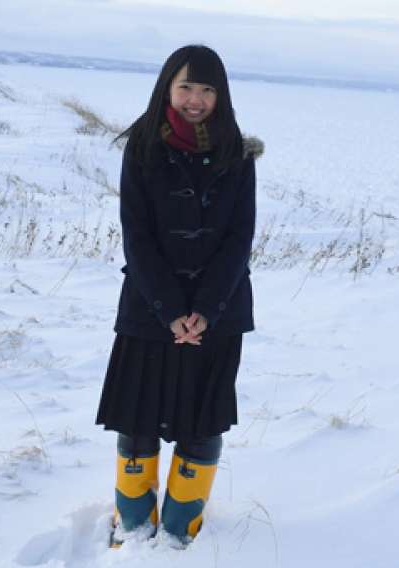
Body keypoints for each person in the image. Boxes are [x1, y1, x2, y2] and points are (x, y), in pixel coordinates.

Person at [95, 44, 262, 549]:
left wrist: (205, 311)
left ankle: (179, 528)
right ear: (168, 87)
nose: (196, 99)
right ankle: (132, 522)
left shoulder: (239, 153)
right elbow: (137, 235)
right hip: (149, 309)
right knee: (138, 413)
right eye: (186, 86)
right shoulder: (143, 147)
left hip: (221, 311)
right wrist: (171, 311)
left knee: (203, 415)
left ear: (221, 95)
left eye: (207, 89)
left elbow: (239, 238)